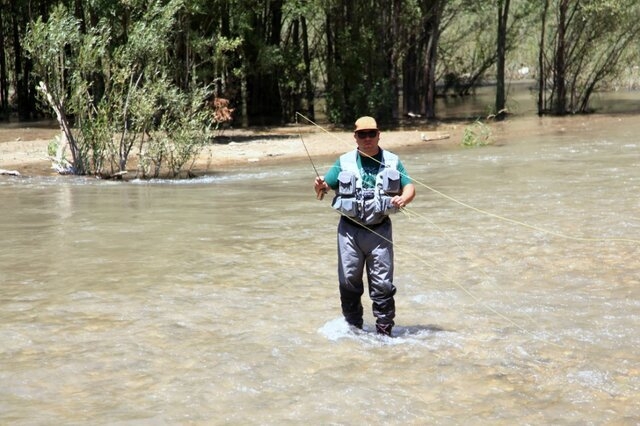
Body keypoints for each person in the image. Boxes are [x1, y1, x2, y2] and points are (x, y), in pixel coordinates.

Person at [314, 116, 416, 336]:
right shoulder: (344, 162)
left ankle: (384, 334)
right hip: (349, 231)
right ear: (355, 137)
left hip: (379, 230)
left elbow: (409, 187)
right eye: (362, 134)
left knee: (382, 284)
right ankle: (353, 329)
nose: (367, 138)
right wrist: (320, 185)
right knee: (349, 280)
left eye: (372, 134)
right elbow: (324, 189)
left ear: (379, 135)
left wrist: (403, 200)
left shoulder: (392, 161)